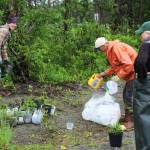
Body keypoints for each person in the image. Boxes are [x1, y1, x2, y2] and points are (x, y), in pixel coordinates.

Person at [94, 37, 137, 131]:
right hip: (131, 73)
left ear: (104, 45)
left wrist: (119, 76)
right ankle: (128, 117)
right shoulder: (111, 50)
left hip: (135, 72)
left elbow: (128, 64)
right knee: (127, 95)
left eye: (99, 49)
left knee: (128, 96)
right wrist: (103, 74)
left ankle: (132, 122)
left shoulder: (116, 48)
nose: (99, 51)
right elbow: (115, 66)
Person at [133, 21, 150, 150]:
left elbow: (140, 63)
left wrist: (142, 77)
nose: (140, 37)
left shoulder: (146, 44)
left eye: (141, 34)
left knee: (143, 117)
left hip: (146, 84)